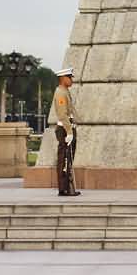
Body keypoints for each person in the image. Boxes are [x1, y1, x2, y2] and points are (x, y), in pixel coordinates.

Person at [53, 67, 80, 197]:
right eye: (69, 77)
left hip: (68, 127)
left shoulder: (65, 91)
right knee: (64, 158)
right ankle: (63, 188)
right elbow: (62, 114)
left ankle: (68, 186)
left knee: (68, 158)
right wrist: (69, 131)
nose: (71, 80)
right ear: (63, 78)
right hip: (64, 128)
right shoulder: (60, 93)